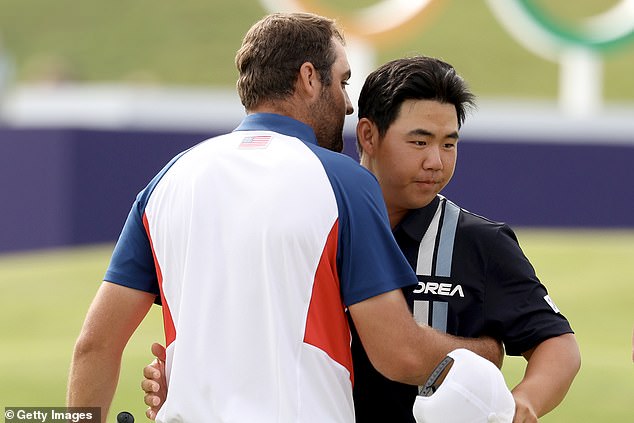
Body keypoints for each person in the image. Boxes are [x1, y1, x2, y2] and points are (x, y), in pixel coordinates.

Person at [67, 14, 502, 423]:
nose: (348, 105)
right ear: (309, 78)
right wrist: (483, 354)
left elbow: (95, 345)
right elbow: (399, 354)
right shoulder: (344, 181)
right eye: (343, 82)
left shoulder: (169, 179)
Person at [142, 56, 581, 423]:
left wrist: (523, 403)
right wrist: (187, 388)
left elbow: (558, 345)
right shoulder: (302, 224)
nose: (436, 161)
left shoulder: (479, 242)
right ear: (368, 134)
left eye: (449, 144)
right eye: (419, 141)